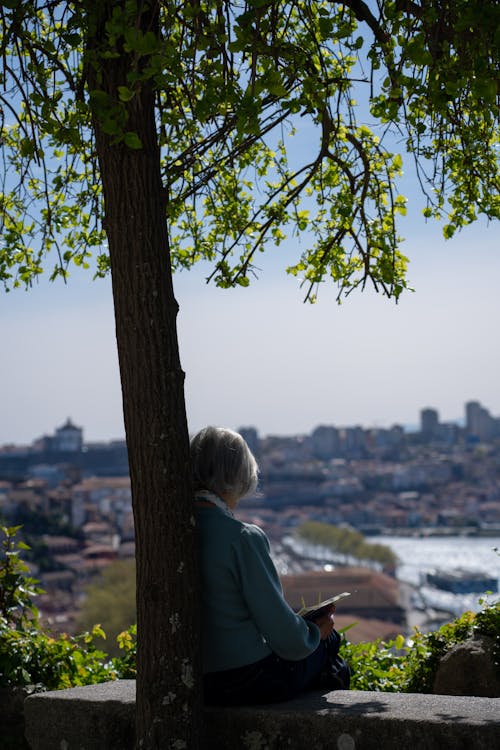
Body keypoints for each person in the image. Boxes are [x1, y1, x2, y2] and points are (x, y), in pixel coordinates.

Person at [191, 426, 350, 706]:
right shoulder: (242, 538)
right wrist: (317, 632)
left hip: (199, 678)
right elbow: (285, 636)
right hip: (247, 678)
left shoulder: (176, 531)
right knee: (332, 646)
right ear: (241, 474)